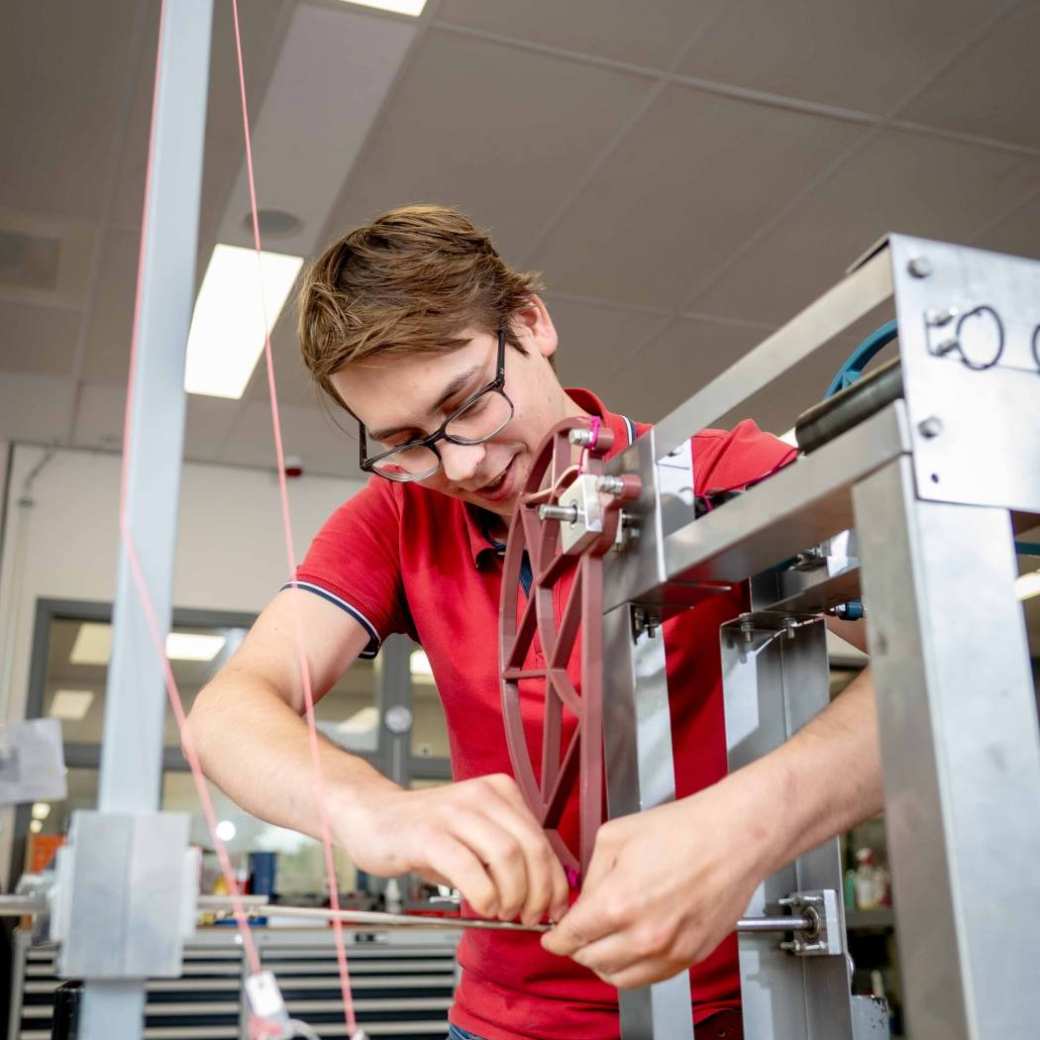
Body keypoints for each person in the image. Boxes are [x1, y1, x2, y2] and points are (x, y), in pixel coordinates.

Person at [187, 205, 883, 1040]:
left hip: (749, 1010)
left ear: (530, 322)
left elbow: (948, 666)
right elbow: (231, 712)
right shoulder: (400, 518)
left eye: (468, 401)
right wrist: (376, 811)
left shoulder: (722, 477)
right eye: (405, 440)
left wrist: (746, 827)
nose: (462, 465)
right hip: (501, 1023)